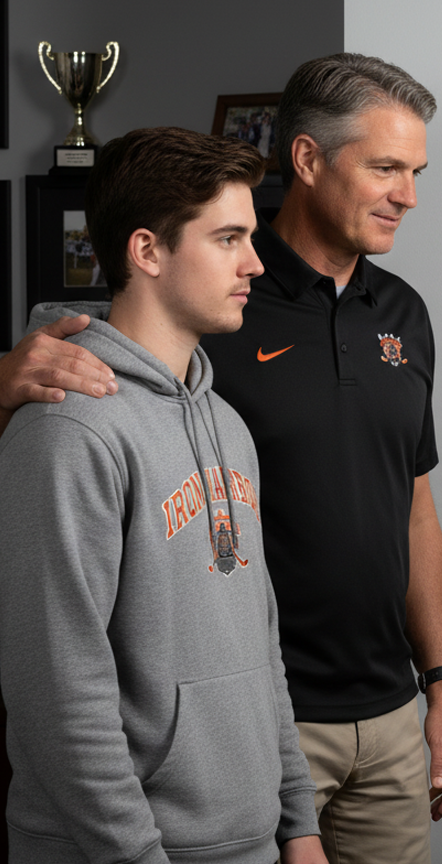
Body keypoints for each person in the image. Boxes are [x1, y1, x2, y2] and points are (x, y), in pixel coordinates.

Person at [0, 54, 442, 864]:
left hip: (330, 753)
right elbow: (59, 681)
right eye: (386, 167)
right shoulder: (109, 391)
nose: (409, 193)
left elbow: (402, 511)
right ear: (307, 160)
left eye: (416, 170)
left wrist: (438, 683)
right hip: (187, 788)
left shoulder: (261, 396)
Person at [0, 128, 327, 864]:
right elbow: (56, 686)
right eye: (229, 238)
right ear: (146, 251)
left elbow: (260, 642)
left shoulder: (229, 425)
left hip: (250, 842)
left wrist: (297, 822)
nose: (255, 262)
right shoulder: (68, 429)